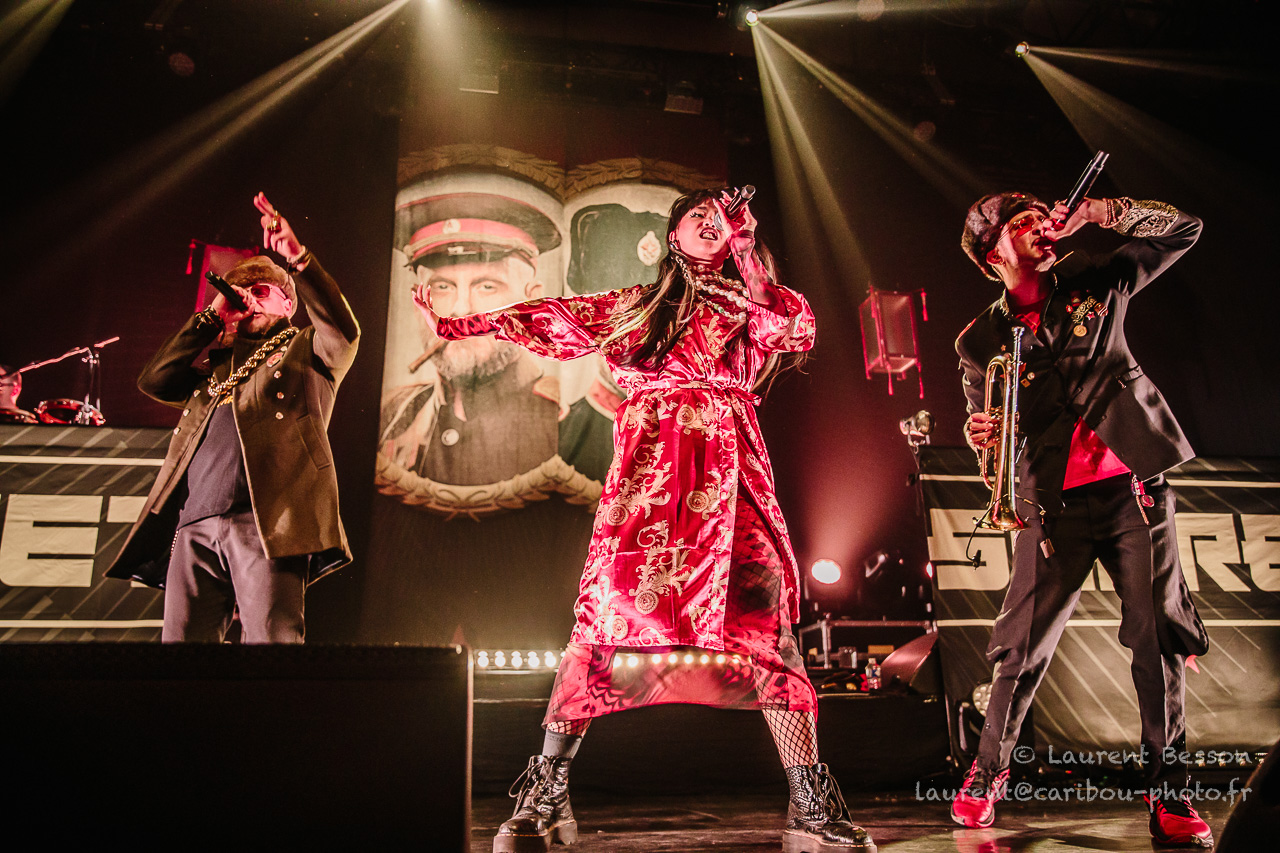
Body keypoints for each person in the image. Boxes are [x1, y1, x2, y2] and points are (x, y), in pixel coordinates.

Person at [419, 188, 874, 853]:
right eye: (698, 215)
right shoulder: (636, 306)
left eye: (722, 217)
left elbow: (793, 328)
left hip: (732, 481)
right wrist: (460, 325)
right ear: (673, 236)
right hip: (649, 484)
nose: (712, 222)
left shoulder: (750, 302)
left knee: (765, 624)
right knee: (602, 622)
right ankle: (546, 791)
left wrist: (747, 249)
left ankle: (809, 803)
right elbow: (552, 316)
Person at [952, 191, 1211, 846]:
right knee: (1019, 647)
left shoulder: (1097, 279)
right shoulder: (978, 340)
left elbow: (1183, 228)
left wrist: (1102, 212)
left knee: (1158, 639)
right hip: (1050, 504)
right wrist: (982, 434)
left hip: (1133, 489)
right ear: (991, 255)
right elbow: (986, 433)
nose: (1040, 225)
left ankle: (1170, 792)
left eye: (1041, 214)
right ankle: (986, 774)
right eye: (1021, 223)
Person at [106, 193, 360, 643]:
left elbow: (344, 330)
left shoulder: (305, 352)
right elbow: (154, 381)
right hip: (195, 525)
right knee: (180, 658)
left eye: (262, 292)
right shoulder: (213, 373)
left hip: (268, 522)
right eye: (243, 293)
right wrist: (211, 317)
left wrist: (299, 259)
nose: (250, 300)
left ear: (288, 304)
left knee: (269, 645)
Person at [380, 193, 561, 489]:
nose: (460, 309)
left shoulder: (562, 419)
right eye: (441, 286)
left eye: (487, 286)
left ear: (533, 303)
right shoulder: (393, 414)